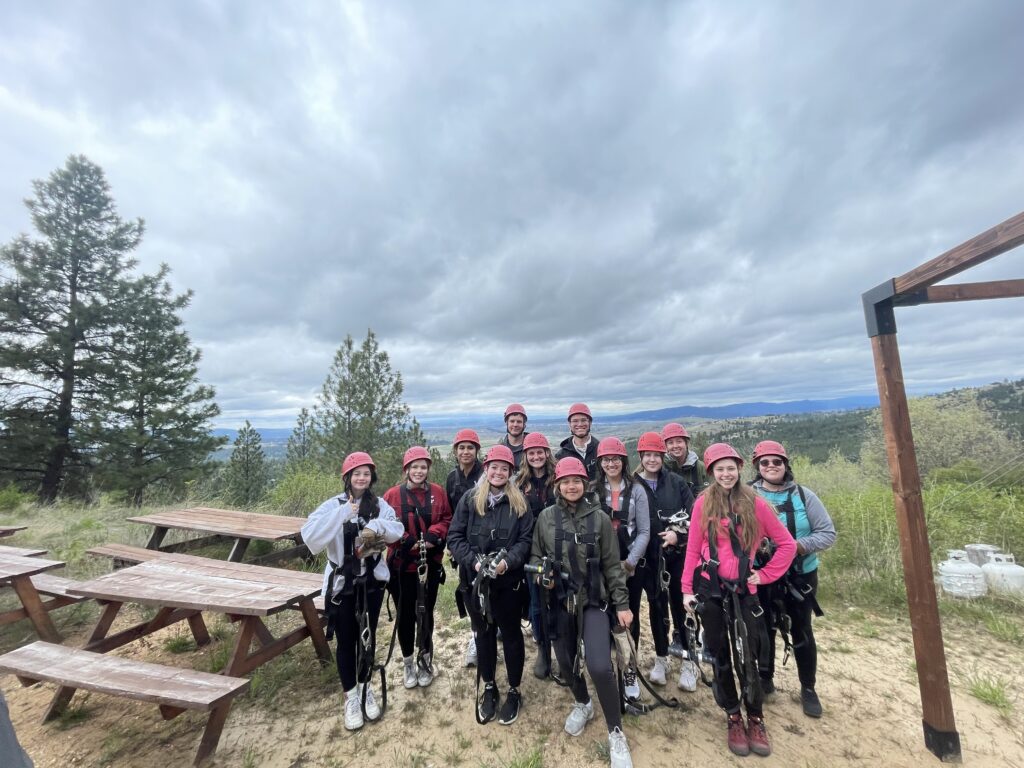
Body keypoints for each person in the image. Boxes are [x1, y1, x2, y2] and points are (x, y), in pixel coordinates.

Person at [682, 443, 796, 758]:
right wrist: (686, 590)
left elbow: (786, 544)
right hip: (712, 587)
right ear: (711, 472)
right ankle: (732, 713)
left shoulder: (755, 503)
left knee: (752, 652)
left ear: (739, 468)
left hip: (746, 590)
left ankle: (755, 716)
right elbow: (693, 549)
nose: (726, 473)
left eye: (730, 467)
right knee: (719, 652)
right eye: (719, 469)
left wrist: (766, 574)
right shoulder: (703, 504)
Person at [531, 457, 636, 768]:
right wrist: (542, 575)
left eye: (576, 480)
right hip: (561, 600)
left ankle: (616, 731)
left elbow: (612, 566)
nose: (571, 486)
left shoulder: (600, 518)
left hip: (592, 600)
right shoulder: (546, 519)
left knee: (600, 665)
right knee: (565, 662)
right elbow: (537, 556)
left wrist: (622, 604)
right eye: (565, 481)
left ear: (585, 483)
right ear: (558, 486)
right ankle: (583, 702)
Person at [302, 452, 404, 731]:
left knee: (367, 638)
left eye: (366, 474)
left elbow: (397, 530)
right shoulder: (332, 505)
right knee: (346, 641)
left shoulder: (379, 505)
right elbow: (310, 537)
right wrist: (344, 513)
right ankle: (351, 696)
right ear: (347, 477)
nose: (362, 478)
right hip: (342, 585)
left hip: (370, 583)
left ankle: (366, 687)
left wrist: (377, 525)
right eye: (357, 473)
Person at [448, 445, 534, 726]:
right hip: (475, 584)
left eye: (504, 468)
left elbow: (525, 541)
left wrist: (507, 562)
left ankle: (514, 689)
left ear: (511, 473)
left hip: (508, 583)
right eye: (494, 467)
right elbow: (455, 536)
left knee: (511, 635)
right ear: (486, 469)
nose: (498, 472)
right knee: (483, 635)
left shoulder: (520, 503)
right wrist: (473, 562)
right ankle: (488, 687)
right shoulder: (470, 500)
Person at [750, 440, 836, 718]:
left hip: (799, 574)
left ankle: (808, 687)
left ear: (786, 465)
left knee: (801, 629)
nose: (771, 466)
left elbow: (827, 533)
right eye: (765, 462)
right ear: (757, 467)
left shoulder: (804, 496)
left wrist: (794, 546)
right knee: (763, 628)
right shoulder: (747, 495)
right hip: (761, 574)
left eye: (777, 462)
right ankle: (765, 678)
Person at [382, 446, 453, 690]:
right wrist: (403, 539)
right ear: (407, 470)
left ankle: (425, 657)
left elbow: (446, 518)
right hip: (401, 568)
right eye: (415, 467)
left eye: (423, 467)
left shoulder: (438, 493)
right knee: (405, 617)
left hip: (428, 566)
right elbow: (384, 525)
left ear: (428, 469)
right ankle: (408, 661)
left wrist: (434, 535)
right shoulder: (392, 495)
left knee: (426, 614)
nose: (419, 471)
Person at [634, 431, 696, 690]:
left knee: (683, 608)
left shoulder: (677, 483)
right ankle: (661, 658)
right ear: (641, 457)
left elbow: (696, 518)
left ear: (663, 456)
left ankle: (689, 661)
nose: (652, 460)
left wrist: (677, 534)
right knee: (658, 608)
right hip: (648, 559)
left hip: (676, 557)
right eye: (647, 455)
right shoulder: (633, 485)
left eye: (656, 455)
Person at [592, 436, 650, 701]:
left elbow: (645, 532)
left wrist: (629, 563)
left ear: (623, 461)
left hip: (629, 563)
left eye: (615, 458)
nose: (611, 463)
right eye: (606, 459)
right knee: (602, 616)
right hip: (601, 563)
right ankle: (606, 668)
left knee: (628, 618)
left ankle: (629, 669)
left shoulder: (637, 490)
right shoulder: (593, 490)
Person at [514, 431, 557, 677]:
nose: (536, 456)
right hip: (531, 549)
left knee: (561, 598)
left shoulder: (558, 478)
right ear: (526, 456)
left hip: (558, 545)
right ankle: (543, 647)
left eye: (540, 452)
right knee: (537, 601)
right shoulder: (519, 483)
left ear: (547, 453)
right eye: (532, 453)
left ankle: (564, 642)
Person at [445, 428, 485, 668]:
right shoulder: (453, 478)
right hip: (464, 544)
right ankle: (476, 637)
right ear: (456, 451)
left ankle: (489, 636)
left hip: (486, 541)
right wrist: (453, 541)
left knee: (489, 592)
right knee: (468, 590)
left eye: (470, 447)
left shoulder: (486, 473)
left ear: (476, 451)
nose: (466, 451)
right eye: (462, 447)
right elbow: (452, 513)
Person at [555, 402, 599, 479]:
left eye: (583, 420)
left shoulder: (600, 450)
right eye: (575, 421)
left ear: (590, 423)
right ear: (570, 424)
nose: (579, 424)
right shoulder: (561, 456)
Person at [662, 423, 705, 496]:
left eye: (679, 441)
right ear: (666, 446)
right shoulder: (661, 467)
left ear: (686, 443)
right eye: (670, 443)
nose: (675, 446)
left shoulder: (700, 468)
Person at [498, 403, 530, 469]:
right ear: (507, 423)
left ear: (524, 424)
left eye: (519, 422)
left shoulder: (532, 447)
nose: (515, 424)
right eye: (512, 421)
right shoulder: (500, 449)